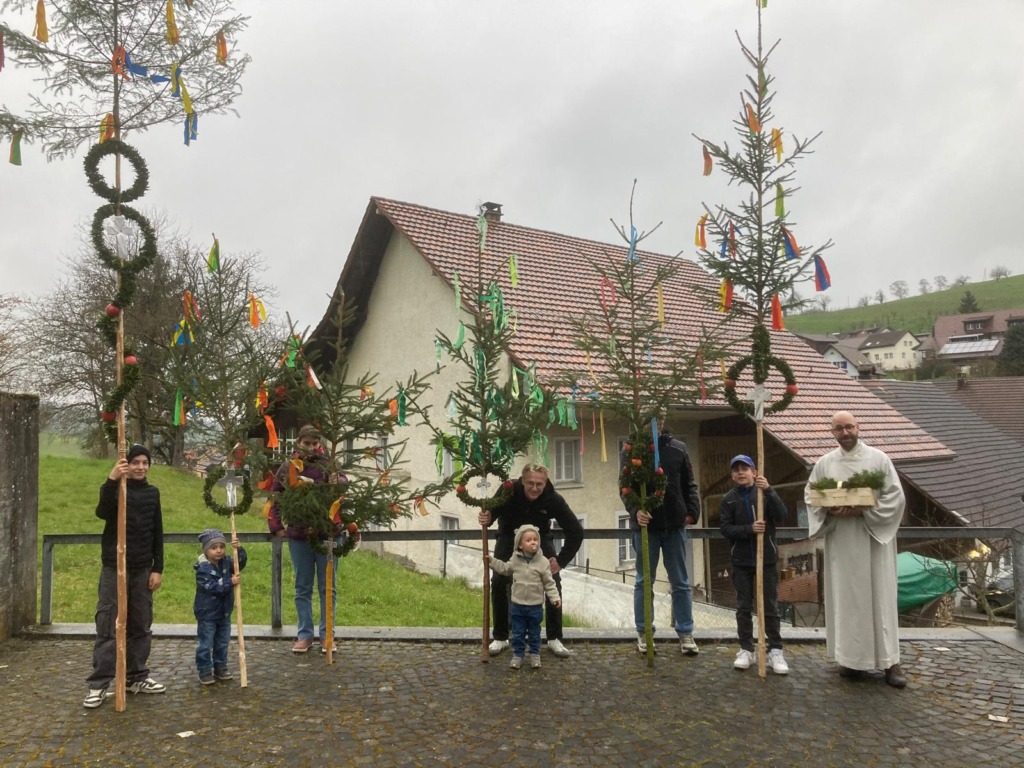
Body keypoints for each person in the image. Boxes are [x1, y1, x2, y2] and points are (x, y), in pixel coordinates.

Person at [805, 411, 908, 689]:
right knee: (848, 601)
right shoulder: (825, 463)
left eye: (849, 426)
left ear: (858, 427)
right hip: (842, 542)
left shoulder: (879, 459)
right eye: (839, 429)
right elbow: (811, 495)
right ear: (833, 432)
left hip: (872, 538)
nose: (845, 432)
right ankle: (851, 660)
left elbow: (895, 498)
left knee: (880, 598)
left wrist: (865, 508)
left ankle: (890, 662)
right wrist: (830, 507)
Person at [83, 444, 166, 709]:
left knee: (140, 624)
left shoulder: (153, 493)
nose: (141, 467)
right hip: (114, 567)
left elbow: (157, 532)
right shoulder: (115, 490)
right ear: (126, 465)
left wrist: (158, 568)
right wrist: (112, 479)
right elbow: (102, 513)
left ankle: (136, 676)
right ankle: (99, 685)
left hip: (142, 568)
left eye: (145, 462)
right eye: (135, 462)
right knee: (109, 624)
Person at [477, 464, 583, 659]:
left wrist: (561, 561)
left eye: (539, 484)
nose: (535, 488)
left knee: (553, 581)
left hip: (539, 541)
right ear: (522, 481)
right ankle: (500, 636)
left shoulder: (553, 499)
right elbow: (492, 512)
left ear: (546, 483)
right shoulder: (508, 490)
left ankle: (554, 637)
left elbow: (576, 531)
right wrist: (487, 516)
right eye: (531, 484)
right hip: (509, 538)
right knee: (499, 581)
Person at [267, 424, 345, 654]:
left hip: (327, 533)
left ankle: (327, 634)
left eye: (314, 443)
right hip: (299, 535)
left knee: (327, 587)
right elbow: (275, 497)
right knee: (302, 586)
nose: (311, 447)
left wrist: (337, 480)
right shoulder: (288, 467)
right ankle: (305, 634)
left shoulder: (328, 464)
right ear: (298, 443)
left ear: (319, 444)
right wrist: (276, 526)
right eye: (306, 443)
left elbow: (343, 483)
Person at [626, 423, 700, 656]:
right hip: (646, 526)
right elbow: (625, 487)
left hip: (674, 525)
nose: (651, 425)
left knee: (679, 581)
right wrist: (636, 510)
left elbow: (689, 484)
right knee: (644, 581)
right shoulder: (632, 450)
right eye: (646, 421)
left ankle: (685, 632)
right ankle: (644, 631)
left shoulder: (678, 448)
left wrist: (691, 512)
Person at [719, 454, 789, 675]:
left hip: (766, 559)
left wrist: (769, 490)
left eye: (745, 468)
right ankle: (746, 649)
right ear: (732, 475)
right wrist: (750, 529)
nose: (741, 472)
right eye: (736, 469)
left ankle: (775, 650)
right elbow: (726, 529)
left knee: (769, 606)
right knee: (743, 607)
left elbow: (782, 515)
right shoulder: (728, 499)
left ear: (754, 472)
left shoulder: (764, 495)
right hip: (741, 561)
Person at [487, 524, 562, 670]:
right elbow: (504, 568)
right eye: (528, 540)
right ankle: (518, 655)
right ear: (520, 545)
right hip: (518, 606)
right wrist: (491, 561)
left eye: (535, 539)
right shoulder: (515, 560)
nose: (533, 542)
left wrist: (554, 598)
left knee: (534, 633)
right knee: (518, 633)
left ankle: (535, 654)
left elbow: (549, 583)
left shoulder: (543, 562)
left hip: (535, 606)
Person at [193, 528, 247, 685]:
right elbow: (211, 586)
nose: (219, 551)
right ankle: (204, 669)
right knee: (206, 643)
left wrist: (239, 549)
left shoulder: (227, 563)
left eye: (222, 547)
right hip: (207, 613)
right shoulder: (203, 569)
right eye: (214, 548)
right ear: (206, 550)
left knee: (222, 642)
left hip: (224, 612)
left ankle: (220, 666)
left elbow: (239, 563)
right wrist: (230, 582)